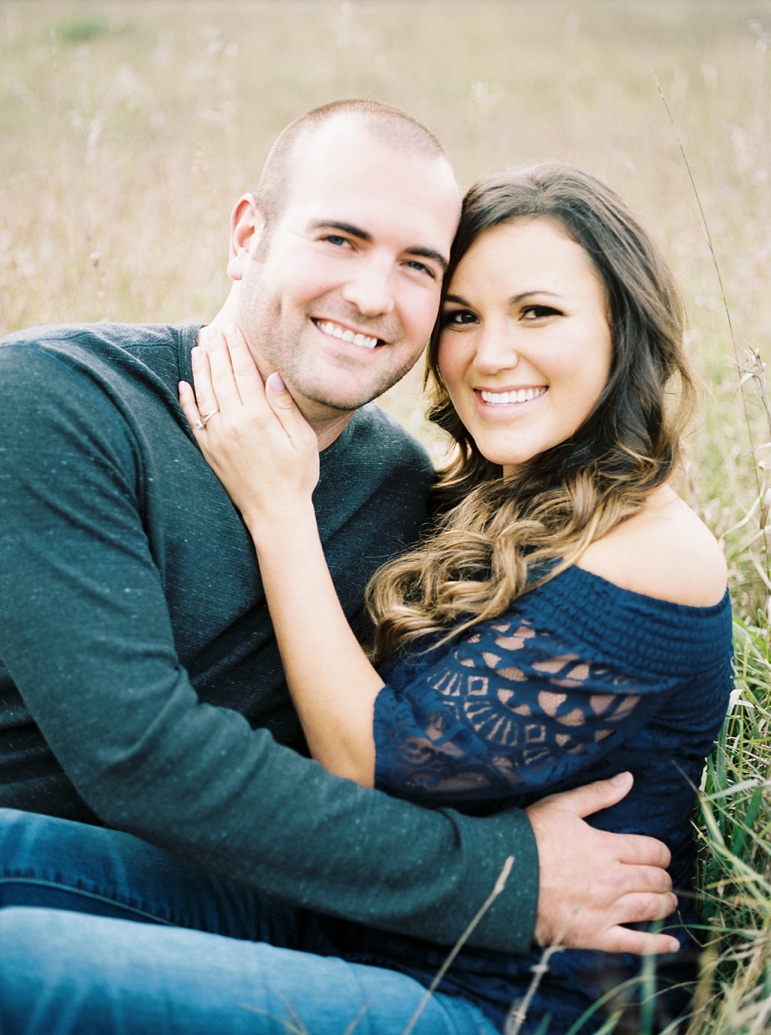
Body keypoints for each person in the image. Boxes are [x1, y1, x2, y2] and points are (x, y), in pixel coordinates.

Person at [0, 164, 733, 1034]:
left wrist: (280, 509)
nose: (489, 353)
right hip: (355, 927)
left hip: (504, 998)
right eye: (462, 316)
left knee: (21, 964)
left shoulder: (656, 552)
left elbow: (373, 759)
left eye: (537, 312)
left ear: (625, 327)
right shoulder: (483, 495)